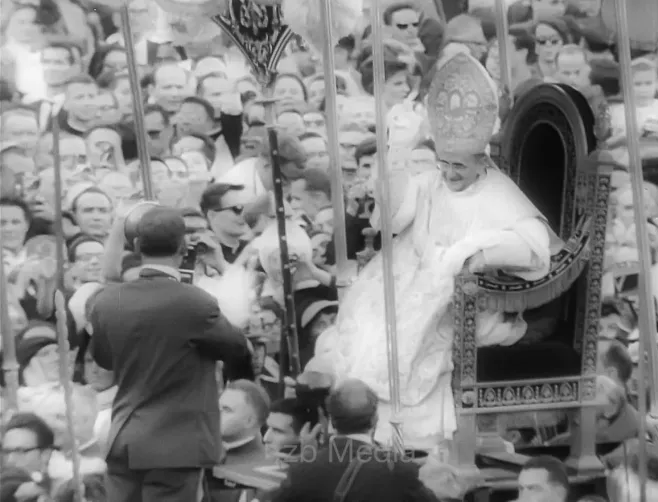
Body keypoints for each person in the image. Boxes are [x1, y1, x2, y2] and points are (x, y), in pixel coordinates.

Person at [310, 52, 561, 450]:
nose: (449, 173)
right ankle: (362, 421)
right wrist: (396, 153)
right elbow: (391, 218)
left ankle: (408, 436)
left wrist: (475, 250)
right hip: (411, 279)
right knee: (368, 330)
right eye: (444, 163)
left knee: (404, 338)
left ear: (482, 160)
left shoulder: (498, 192)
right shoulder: (430, 181)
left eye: (458, 165)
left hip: (468, 293)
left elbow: (533, 244)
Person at [89, 206, 253, 502]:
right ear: (182, 247)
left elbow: (104, 362)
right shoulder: (196, 302)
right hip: (177, 443)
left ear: (137, 247)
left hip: (123, 438)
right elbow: (239, 349)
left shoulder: (106, 301)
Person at [269, 379, 441, 502]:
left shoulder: (303, 469)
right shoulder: (398, 469)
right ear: (374, 419)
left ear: (332, 420)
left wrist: (307, 457)